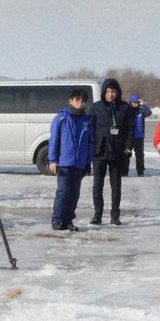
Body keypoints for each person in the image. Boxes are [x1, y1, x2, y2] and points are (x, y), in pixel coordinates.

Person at [89, 79, 134, 226]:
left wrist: (128, 147)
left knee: (116, 185)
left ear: (118, 92)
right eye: (108, 91)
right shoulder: (96, 108)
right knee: (97, 185)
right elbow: (90, 129)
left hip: (117, 151)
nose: (110, 94)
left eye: (113, 91)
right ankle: (98, 215)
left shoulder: (125, 108)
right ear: (103, 92)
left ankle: (115, 215)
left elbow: (130, 130)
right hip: (99, 151)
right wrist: (90, 148)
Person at [49, 88, 93, 231]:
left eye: (82, 101)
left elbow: (90, 142)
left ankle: (68, 220)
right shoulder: (61, 118)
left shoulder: (87, 120)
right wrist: (53, 160)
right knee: (63, 191)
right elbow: (54, 140)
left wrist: (88, 162)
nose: (79, 103)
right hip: (64, 162)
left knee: (74, 193)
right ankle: (57, 219)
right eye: (77, 100)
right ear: (71, 101)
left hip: (79, 163)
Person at [126, 94, 152, 177]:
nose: (135, 104)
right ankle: (124, 170)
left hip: (139, 137)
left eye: (137, 102)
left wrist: (144, 104)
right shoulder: (128, 110)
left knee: (140, 155)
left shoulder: (142, 111)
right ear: (131, 102)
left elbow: (149, 112)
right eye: (134, 102)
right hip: (129, 136)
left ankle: (140, 171)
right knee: (126, 154)